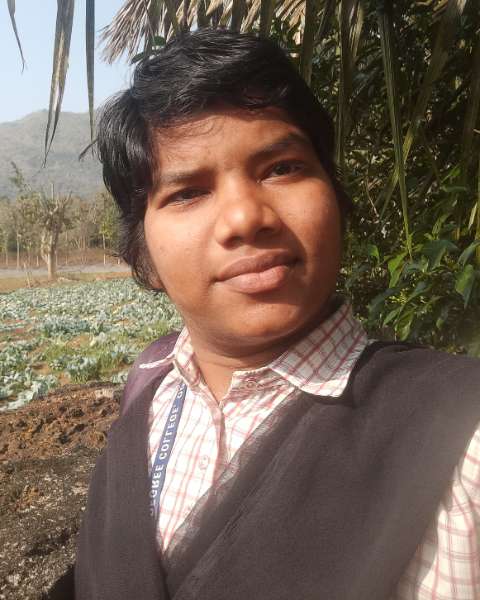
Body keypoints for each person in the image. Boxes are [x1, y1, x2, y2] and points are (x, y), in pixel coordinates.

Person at [65, 29, 480, 600]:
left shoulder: (459, 438)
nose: (245, 218)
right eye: (187, 193)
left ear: (335, 196)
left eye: (282, 168)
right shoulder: (146, 391)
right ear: (144, 255)